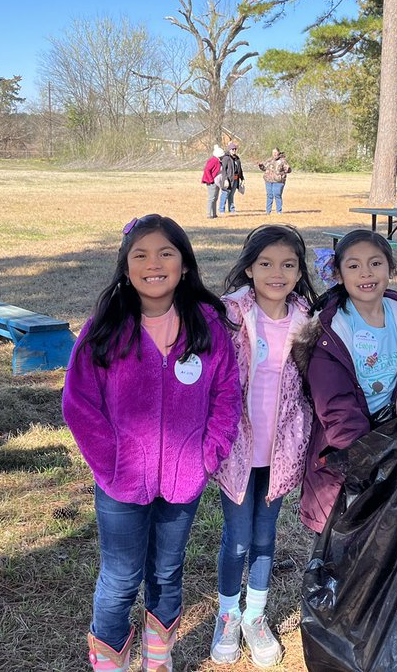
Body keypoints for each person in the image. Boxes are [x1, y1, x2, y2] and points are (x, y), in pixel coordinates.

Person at [63, 214, 242, 672]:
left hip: (185, 480)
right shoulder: (105, 327)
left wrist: (208, 455)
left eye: (166, 252)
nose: (153, 264)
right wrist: (113, 462)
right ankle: (109, 663)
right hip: (120, 483)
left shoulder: (206, 326)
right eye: (139, 255)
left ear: (184, 264)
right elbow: (79, 404)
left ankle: (156, 661)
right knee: (121, 578)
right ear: (125, 268)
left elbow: (227, 394)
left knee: (166, 572)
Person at [210, 224, 319, 667]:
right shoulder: (229, 314)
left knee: (264, 537)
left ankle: (255, 616)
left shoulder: (308, 320)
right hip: (237, 450)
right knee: (236, 540)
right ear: (249, 268)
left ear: (299, 272)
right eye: (266, 264)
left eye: (288, 265)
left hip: (281, 450)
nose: (277, 273)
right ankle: (226, 616)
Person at [292, 229, 397, 534]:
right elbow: (336, 408)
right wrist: (369, 463)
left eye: (375, 263)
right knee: (347, 540)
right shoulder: (329, 333)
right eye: (353, 266)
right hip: (348, 455)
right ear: (338, 275)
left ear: (390, 269)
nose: (366, 273)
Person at [256, 147, 292, 214]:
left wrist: (288, 169)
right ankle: (268, 211)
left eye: (276, 152)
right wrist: (260, 165)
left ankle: (279, 211)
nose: (274, 154)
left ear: (278, 153)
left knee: (277, 194)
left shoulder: (282, 161)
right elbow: (264, 168)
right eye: (273, 153)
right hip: (269, 180)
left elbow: (289, 170)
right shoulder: (269, 160)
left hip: (278, 181)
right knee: (269, 195)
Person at [219, 142, 245, 214]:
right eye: (232, 149)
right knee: (225, 194)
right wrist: (225, 179)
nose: (234, 150)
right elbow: (223, 170)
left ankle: (232, 209)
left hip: (235, 179)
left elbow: (240, 169)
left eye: (235, 149)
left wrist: (242, 178)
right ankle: (221, 210)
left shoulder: (237, 158)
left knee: (231, 195)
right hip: (228, 179)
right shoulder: (226, 158)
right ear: (229, 150)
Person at [203, 145, 225, 219]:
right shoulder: (213, 160)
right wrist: (211, 180)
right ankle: (209, 214)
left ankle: (214, 214)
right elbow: (207, 169)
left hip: (217, 182)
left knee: (215, 198)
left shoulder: (218, 161)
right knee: (211, 198)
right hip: (212, 182)